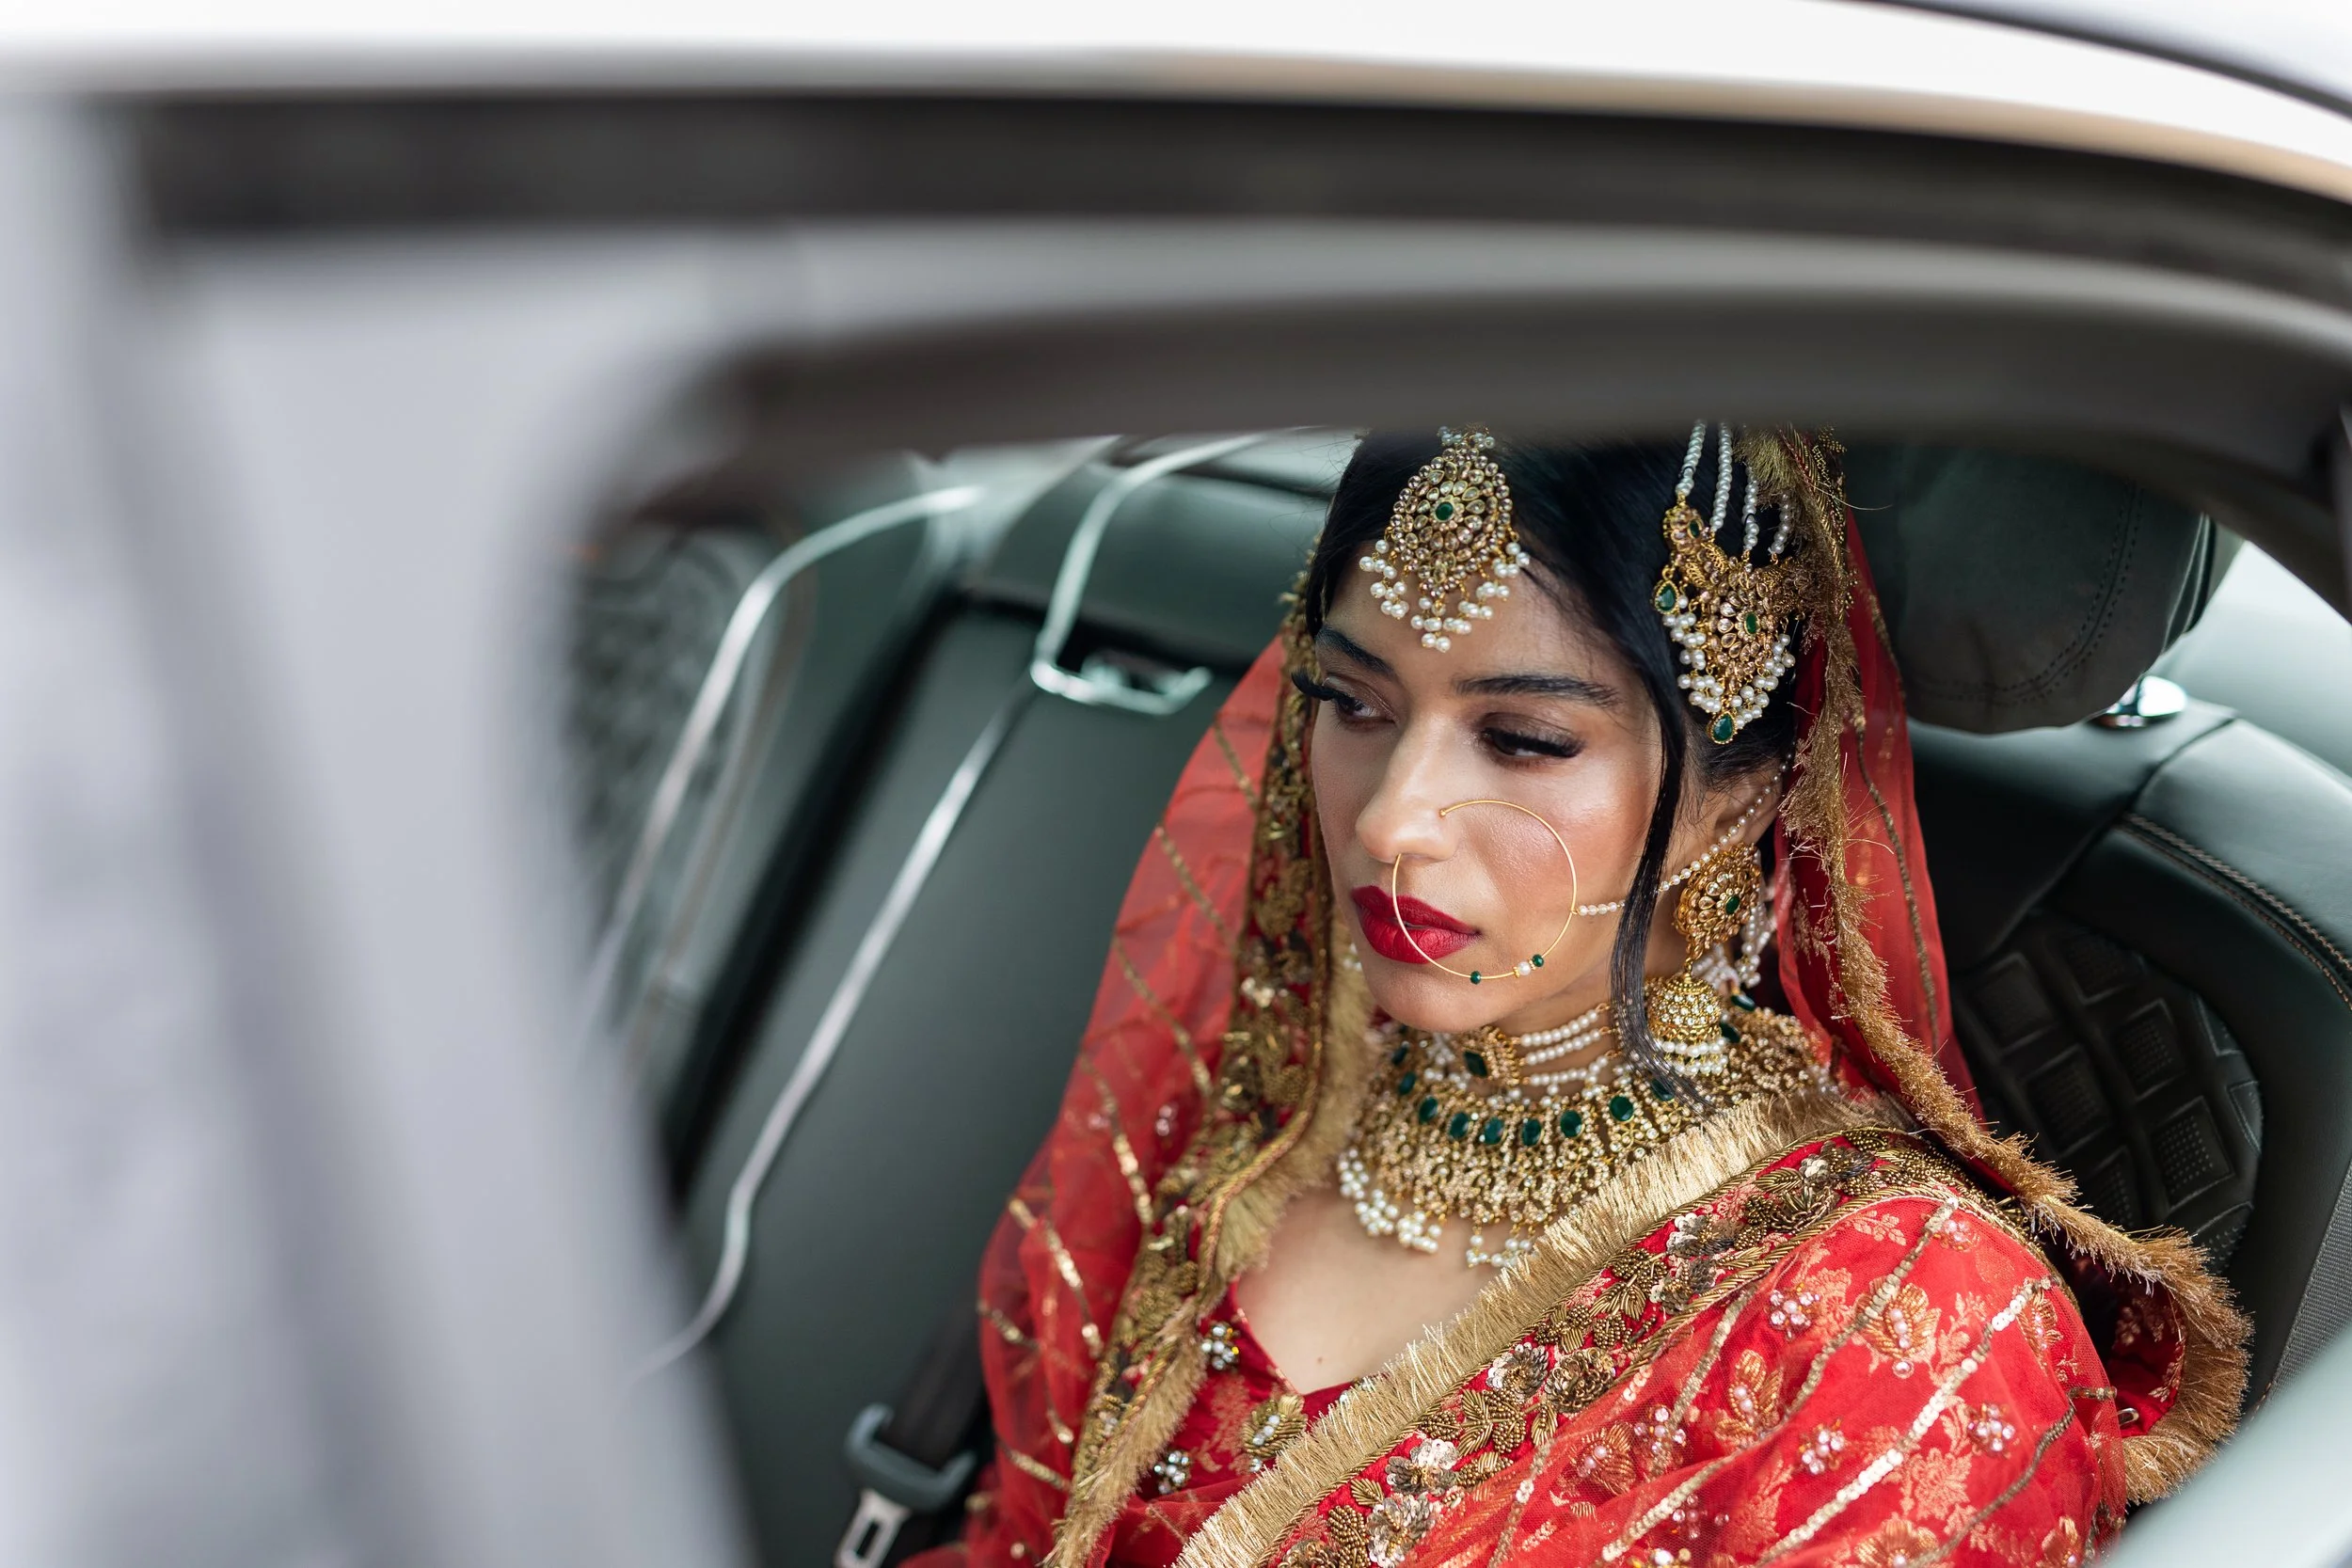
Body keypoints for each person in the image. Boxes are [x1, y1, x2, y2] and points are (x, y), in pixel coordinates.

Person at [917, 427, 2244, 1568]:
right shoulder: (1265, 1109)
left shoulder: (1902, 1317)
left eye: (1525, 739)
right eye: (1352, 703)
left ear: (1737, 797)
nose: (1392, 820)